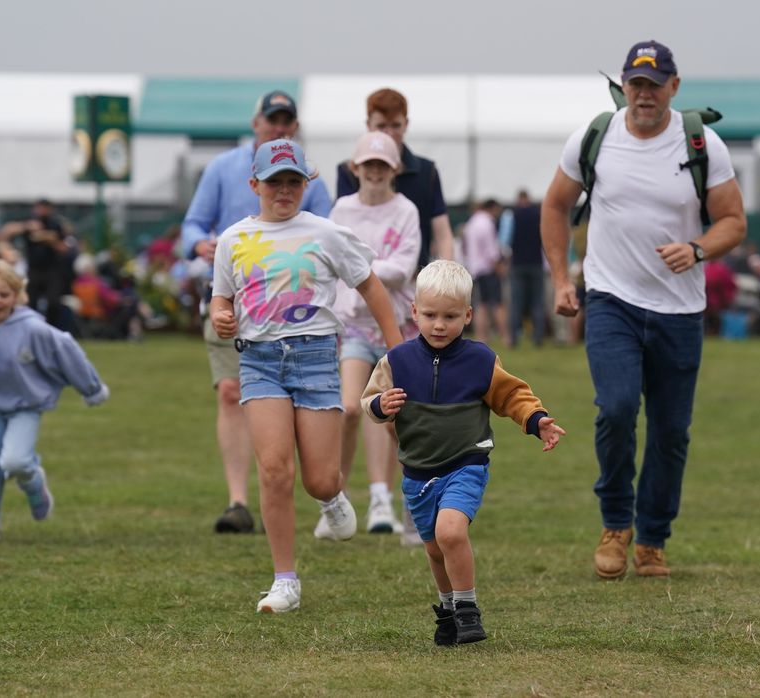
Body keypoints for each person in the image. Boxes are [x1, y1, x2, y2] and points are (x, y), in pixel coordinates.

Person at [540, 40, 747, 579]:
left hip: (680, 311)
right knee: (615, 408)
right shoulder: (595, 138)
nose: (644, 94)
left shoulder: (704, 144)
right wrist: (563, 278)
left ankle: (652, 538)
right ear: (624, 86)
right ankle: (615, 523)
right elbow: (556, 205)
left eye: (655, 84)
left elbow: (733, 221)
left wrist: (698, 248)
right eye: (636, 83)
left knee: (671, 431)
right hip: (611, 301)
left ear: (674, 87)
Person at [210, 139, 402, 613]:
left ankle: (331, 498)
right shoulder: (233, 240)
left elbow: (371, 286)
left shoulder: (326, 233)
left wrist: (400, 350)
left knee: (319, 479)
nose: (284, 190)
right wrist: (220, 315)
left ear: (306, 184)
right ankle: (284, 580)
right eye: (274, 182)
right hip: (258, 362)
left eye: (294, 181)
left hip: (316, 358)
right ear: (254, 184)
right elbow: (221, 297)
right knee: (275, 470)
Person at [361, 260, 565, 645]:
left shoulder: (481, 360)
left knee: (450, 531)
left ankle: (468, 609)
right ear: (415, 312)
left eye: (451, 316)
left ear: (468, 315)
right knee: (436, 549)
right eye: (431, 315)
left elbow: (512, 396)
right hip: (417, 473)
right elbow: (368, 400)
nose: (440, 325)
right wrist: (380, 406)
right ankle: (448, 611)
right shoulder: (397, 361)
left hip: (465, 465)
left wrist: (536, 420)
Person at [182, 90, 332, 534]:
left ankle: (286, 490)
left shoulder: (311, 180)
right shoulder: (223, 168)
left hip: (295, 314)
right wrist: (199, 244)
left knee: (294, 405)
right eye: (272, 120)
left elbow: (328, 236)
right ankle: (238, 500)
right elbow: (193, 222)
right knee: (230, 391)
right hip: (232, 300)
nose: (279, 127)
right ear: (256, 123)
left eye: (287, 121)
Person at [0, 259, 109, 543]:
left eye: (4, 294)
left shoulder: (32, 327)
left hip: (28, 405)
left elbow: (67, 351)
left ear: (16, 296)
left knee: (16, 461)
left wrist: (91, 388)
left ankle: (35, 484)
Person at [327, 131, 420, 536]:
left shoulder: (405, 210)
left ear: (394, 170)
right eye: (369, 165)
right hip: (352, 325)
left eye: (382, 165)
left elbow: (404, 267)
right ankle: (335, 500)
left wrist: (360, 267)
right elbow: (330, 263)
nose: (375, 172)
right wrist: (371, 268)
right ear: (356, 169)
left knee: (393, 417)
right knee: (349, 409)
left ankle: (385, 499)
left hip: (396, 326)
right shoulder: (341, 211)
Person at [336, 88, 454, 270]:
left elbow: (442, 233)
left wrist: (446, 277)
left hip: (414, 277)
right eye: (381, 126)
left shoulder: (426, 171)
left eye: (396, 125)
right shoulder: (348, 172)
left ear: (406, 124)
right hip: (359, 280)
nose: (389, 133)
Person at [0, 199, 69, 328]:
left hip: (52, 270)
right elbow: (6, 232)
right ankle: (32, 327)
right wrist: (26, 226)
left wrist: (50, 240)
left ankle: (50, 327)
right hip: (33, 270)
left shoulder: (55, 224)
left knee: (53, 302)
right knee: (31, 301)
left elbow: (64, 248)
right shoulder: (30, 223)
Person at [461, 199, 509, 345]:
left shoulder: (471, 223)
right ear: (492, 208)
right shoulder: (487, 223)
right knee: (498, 304)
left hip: (474, 269)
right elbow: (491, 250)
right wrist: (498, 266)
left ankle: (481, 336)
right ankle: (505, 336)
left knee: (480, 304)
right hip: (488, 269)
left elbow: (464, 247)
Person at [504, 190, 546, 347]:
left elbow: (505, 241)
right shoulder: (539, 215)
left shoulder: (511, 216)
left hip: (518, 264)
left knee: (516, 303)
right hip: (536, 263)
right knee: (537, 302)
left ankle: (513, 338)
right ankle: (538, 337)